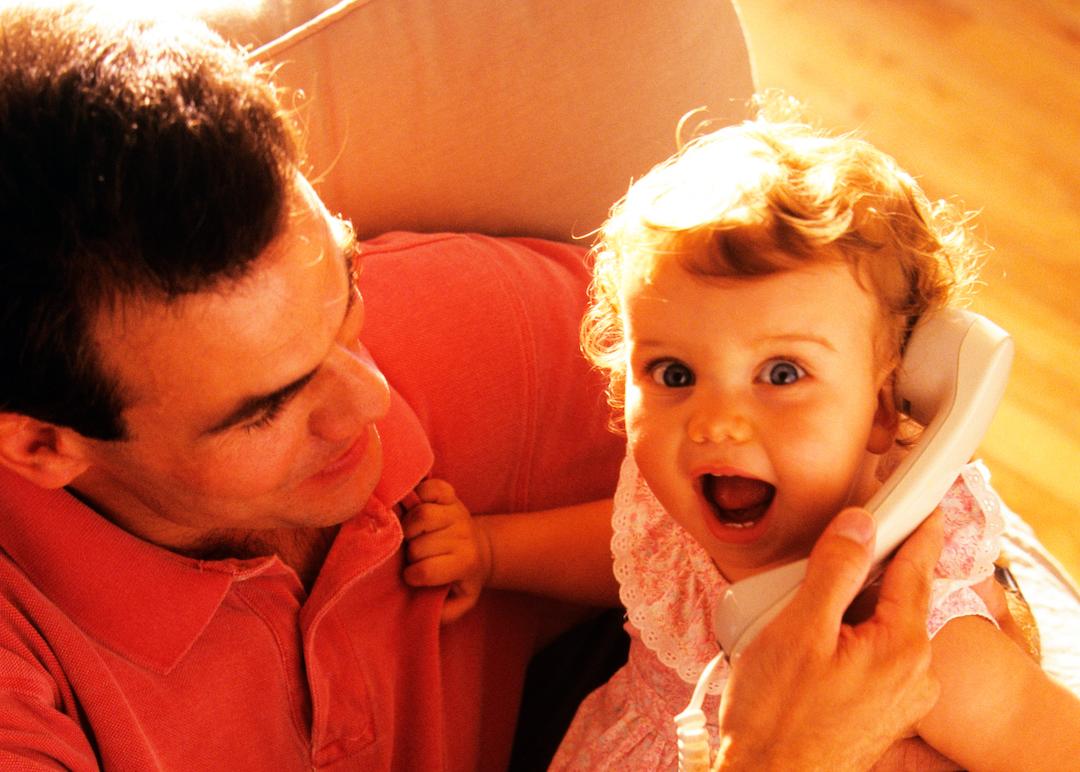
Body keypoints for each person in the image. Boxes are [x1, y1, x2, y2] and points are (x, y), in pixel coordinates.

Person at [0, 4, 1011, 769]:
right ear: (42, 444)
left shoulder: (494, 325)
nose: (374, 401)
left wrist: (950, 570)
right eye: (269, 405)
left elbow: (789, 391)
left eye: (342, 297)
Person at [404, 108, 1080, 769]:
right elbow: (642, 560)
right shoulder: (692, 491)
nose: (714, 421)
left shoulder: (911, 634)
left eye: (781, 373)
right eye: (675, 373)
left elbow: (1048, 741)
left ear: (881, 408)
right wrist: (494, 551)